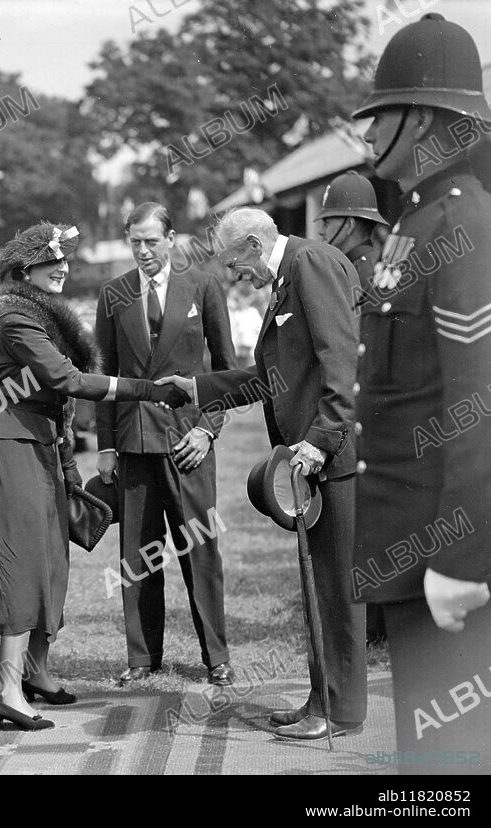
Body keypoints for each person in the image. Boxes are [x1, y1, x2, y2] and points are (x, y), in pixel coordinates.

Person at [157, 207, 366, 742]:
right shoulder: (287, 273)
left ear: (253, 244)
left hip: (327, 457)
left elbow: (340, 360)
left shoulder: (311, 263)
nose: (234, 276)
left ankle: (340, 712)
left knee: (337, 591)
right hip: (305, 459)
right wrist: (201, 388)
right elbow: (274, 376)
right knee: (317, 587)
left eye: (233, 262)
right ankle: (322, 698)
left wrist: (320, 442)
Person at [0, 221, 188, 731]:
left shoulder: (34, 315)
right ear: (26, 269)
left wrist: (69, 464)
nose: (65, 268)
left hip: (43, 446)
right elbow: (68, 380)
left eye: (67, 260)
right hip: (12, 447)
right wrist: (149, 390)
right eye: (54, 262)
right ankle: (7, 690)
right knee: (22, 564)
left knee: (51, 559)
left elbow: (59, 399)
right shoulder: (13, 319)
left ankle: (36, 673)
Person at [350, 13, 491, 772]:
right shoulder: (415, 220)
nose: (368, 136)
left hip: (444, 555)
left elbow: (478, 408)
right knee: (426, 758)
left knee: (451, 764)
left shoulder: (465, 220)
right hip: (409, 548)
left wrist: (463, 561)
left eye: (381, 115)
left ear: (429, 118)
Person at [94, 202, 237, 687]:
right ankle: (141, 657)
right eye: (134, 241)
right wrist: (107, 445)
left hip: (188, 442)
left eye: (151, 241)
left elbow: (224, 369)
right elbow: (105, 377)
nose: (142, 251)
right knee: (137, 555)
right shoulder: (113, 294)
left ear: (171, 239)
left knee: (200, 551)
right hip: (134, 443)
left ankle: (216, 657)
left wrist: (207, 428)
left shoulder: (202, 286)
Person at [315, 170, 390, 646]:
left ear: (349, 221)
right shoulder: (360, 264)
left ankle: (373, 623)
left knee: (362, 526)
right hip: (363, 410)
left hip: (364, 412)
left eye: (328, 223)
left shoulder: (360, 271)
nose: (322, 233)